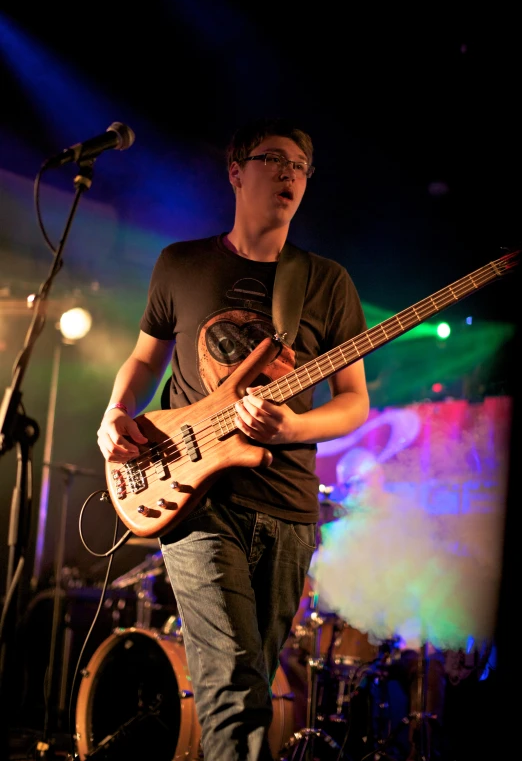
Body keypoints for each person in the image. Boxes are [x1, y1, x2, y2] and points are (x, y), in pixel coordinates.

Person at [96, 117, 370, 761]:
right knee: (233, 691)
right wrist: (115, 411)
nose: (289, 175)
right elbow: (141, 361)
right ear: (235, 169)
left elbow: (355, 403)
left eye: (301, 167)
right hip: (193, 499)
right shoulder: (181, 263)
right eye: (275, 159)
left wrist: (294, 426)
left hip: (288, 508)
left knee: (255, 684)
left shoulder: (326, 282)